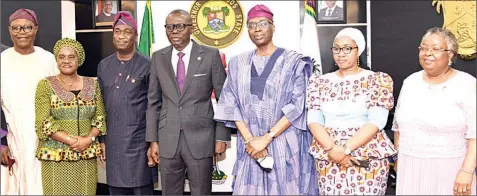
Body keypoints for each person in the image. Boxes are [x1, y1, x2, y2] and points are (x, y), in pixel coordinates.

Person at [214, 4, 318, 195]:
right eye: (251, 25)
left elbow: (298, 105)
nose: (257, 29)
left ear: (273, 26)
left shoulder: (294, 62)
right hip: (250, 147)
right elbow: (230, 104)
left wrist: (267, 138)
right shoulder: (237, 63)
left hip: (284, 144)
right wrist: (251, 140)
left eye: (263, 23)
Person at [146, 9, 230, 195]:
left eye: (180, 26)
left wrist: (222, 136)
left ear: (191, 28)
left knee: (201, 191)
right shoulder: (158, 58)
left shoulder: (210, 55)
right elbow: (153, 101)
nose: (174, 31)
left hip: (201, 138)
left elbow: (225, 98)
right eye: (169, 27)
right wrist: (152, 140)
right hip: (167, 140)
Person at [307, 27, 396, 195]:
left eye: (347, 48)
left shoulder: (376, 80)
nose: (341, 53)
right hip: (329, 156)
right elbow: (314, 121)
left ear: (358, 51)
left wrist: (345, 149)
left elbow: (377, 121)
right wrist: (333, 150)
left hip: (366, 154)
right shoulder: (319, 82)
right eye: (337, 49)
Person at [392, 27, 476, 195]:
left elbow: (475, 134)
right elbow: (398, 127)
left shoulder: (467, 84)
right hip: (410, 167)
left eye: (436, 49)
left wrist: (467, 171)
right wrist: (398, 158)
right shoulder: (410, 82)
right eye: (423, 48)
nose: (427, 53)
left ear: (451, 54)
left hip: (451, 169)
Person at [34, 38, 106, 195]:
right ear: (56, 60)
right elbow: (43, 123)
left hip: (86, 155)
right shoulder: (45, 85)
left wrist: (88, 140)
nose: (66, 61)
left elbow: (100, 119)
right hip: (56, 156)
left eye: (71, 57)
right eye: (61, 57)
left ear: (78, 59)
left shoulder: (93, 85)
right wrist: (71, 141)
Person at [97, 11, 158, 195]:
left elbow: (154, 105)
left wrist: (153, 142)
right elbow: (99, 105)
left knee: (142, 189)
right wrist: (101, 140)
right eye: (117, 31)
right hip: (113, 144)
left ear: (135, 35)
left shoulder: (148, 65)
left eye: (127, 31)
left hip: (140, 145)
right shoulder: (104, 66)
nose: (121, 36)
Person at [0, 8, 58, 195]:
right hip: (11, 136)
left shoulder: (48, 59)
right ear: (9, 30)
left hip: (43, 137)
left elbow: (58, 101)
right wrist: (1, 142)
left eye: (27, 27)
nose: (22, 32)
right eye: (16, 28)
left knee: (40, 185)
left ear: (35, 29)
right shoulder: (2, 60)